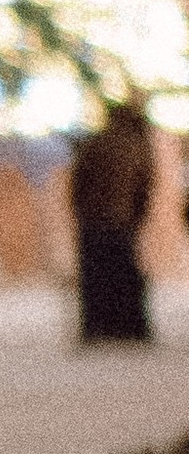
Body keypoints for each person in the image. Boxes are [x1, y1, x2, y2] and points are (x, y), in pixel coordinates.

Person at [69, 97, 157, 345]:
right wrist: (137, 219)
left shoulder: (95, 144)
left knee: (96, 278)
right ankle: (129, 328)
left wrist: (81, 211)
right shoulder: (136, 148)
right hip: (121, 221)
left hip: (94, 221)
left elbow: (78, 182)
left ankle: (98, 327)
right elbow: (143, 189)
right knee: (125, 277)